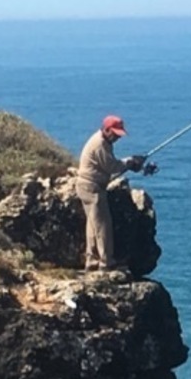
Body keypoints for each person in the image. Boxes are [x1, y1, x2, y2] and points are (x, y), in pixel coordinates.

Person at [76, 115, 146, 272]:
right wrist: (130, 162)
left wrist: (130, 163)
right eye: (114, 133)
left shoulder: (103, 141)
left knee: (93, 223)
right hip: (92, 187)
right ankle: (106, 262)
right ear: (106, 129)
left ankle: (91, 259)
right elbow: (112, 167)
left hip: (87, 186)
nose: (116, 138)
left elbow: (111, 165)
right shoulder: (99, 144)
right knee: (103, 225)